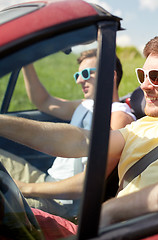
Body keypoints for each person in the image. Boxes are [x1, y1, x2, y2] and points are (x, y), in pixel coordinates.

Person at [0, 30, 158, 233]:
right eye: (143, 75)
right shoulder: (144, 125)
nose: (145, 86)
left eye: (157, 77)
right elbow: (82, 140)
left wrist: (115, 208)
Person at [0, 49, 135, 219]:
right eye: (77, 75)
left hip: (62, 205)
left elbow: (87, 182)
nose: (79, 80)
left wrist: (26, 188)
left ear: (110, 76)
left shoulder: (119, 118)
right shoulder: (85, 104)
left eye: (86, 73)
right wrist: (27, 62)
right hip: (46, 182)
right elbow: (44, 102)